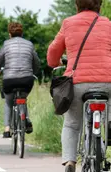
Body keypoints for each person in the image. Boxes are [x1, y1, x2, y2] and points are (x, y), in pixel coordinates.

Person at [47, 0, 111, 171]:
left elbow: (53, 53)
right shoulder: (108, 24)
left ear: (77, 5)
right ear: (100, 5)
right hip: (107, 81)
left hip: (77, 82)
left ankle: (70, 161)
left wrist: (56, 63)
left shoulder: (68, 23)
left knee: (72, 123)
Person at [0, 22, 40, 138]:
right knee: (23, 98)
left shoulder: (6, 44)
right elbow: (37, 62)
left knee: (8, 102)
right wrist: (33, 72)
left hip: (9, 79)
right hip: (27, 79)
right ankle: (27, 119)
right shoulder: (29, 44)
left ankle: (7, 129)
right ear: (22, 33)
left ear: (10, 34)